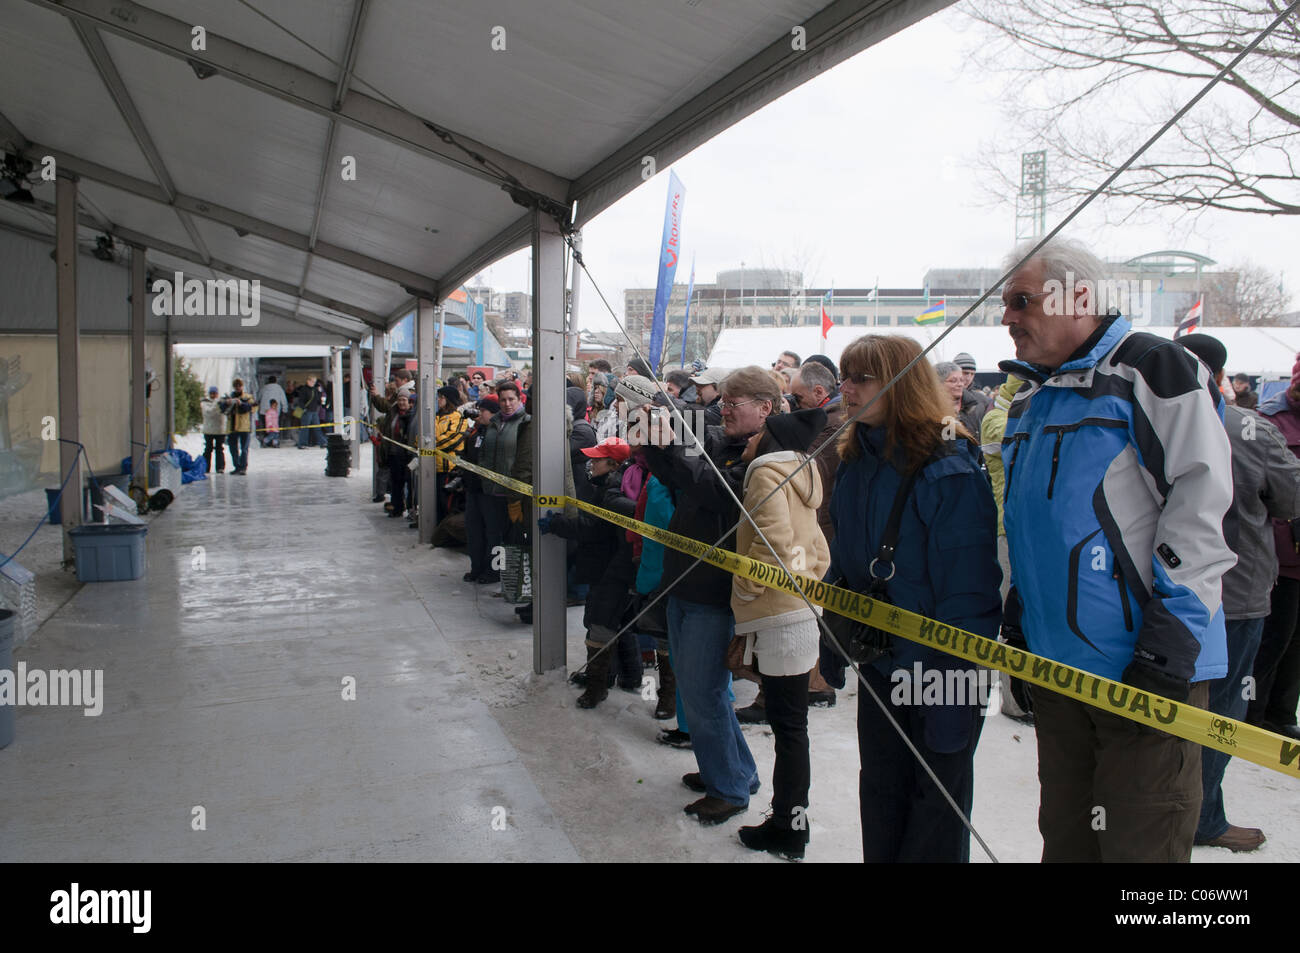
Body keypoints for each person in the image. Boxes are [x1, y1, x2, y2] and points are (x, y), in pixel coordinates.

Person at [998, 237, 1233, 863]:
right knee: (1070, 845)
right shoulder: (1029, 396)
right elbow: (1033, 526)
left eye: (1021, 301)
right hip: (1062, 672)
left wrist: (1168, 647)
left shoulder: (1154, 368)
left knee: (1139, 855)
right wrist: (1021, 621)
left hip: (1145, 674)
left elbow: (1203, 507)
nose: (1007, 318)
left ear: (1078, 296)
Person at [827, 334, 1001, 863]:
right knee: (880, 795)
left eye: (862, 378)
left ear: (901, 384)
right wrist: (833, 638)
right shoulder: (856, 457)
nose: (848, 389)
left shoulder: (947, 463)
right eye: (845, 376)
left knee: (935, 812)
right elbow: (846, 566)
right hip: (881, 664)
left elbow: (969, 588)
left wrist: (955, 684)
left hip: (939, 671)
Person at [1176, 334, 1300, 853]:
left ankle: (1166, 808)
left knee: (1166, 709)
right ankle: (1203, 818)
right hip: (1237, 592)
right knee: (1221, 712)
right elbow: (1291, 498)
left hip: (1168, 591)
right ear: (1221, 375)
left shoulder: (1151, 418)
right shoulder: (1250, 429)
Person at [636, 366, 774, 825]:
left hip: (714, 592)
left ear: (765, 409)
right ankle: (737, 773)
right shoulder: (726, 441)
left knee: (703, 694)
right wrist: (654, 438)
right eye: (724, 402)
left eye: (733, 404)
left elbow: (717, 492)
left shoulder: (768, 456)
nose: (723, 411)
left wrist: (674, 440)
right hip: (688, 579)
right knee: (703, 694)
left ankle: (729, 789)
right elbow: (680, 474)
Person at [731, 407, 831, 860]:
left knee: (790, 729)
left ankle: (789, 827)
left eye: (755, 435)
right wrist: (808, 582)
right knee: (793, 727)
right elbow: (817, 550)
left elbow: (770, 541)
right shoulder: (803, 473)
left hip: (777, 615)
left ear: (768, 438)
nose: (747, 440)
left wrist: (747, 587)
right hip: (801, 609)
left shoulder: (765, 472)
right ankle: (790, 823)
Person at [539, 437, 637, 708]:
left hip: (608, 568)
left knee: (599, 623)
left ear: (613, 464)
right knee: (619, 622)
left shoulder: (610, 491)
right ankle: (629, 676)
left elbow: (593, 529)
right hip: (613, 565)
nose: (591, 464)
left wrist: (558, 524)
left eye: (597, 459)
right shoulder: (608, 486)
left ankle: (598, 686)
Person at [979, 373, 1032, 725]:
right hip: (1005, 531)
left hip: (1033, 534)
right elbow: (1022, 444)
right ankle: (1012, 699)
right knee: (1006, 619)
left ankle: (1026, 693)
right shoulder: (997, 420)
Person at [1252, 355, 1300, 740]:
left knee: (1296, 642)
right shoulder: (1268, 420)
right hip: (1280, 553)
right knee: (1273, 638)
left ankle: (1282, 712)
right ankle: (1253, 711)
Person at [479, 381, 530, 582]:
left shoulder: (526, 423)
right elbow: (484, 453)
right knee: (493, 534)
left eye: (511, 399)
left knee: (513, 537)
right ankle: (494, 572)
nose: (507, 404)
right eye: (503, 400)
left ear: (519, 399)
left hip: (513, 493)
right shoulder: (493, 423)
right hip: (491, 491)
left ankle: (510, 575)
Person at [461, 397, 499, 583]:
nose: (478, 413)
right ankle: (476, 567)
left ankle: (492, 571)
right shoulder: (476, 432)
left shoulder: (497, 432)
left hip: (490, 492)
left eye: (482, 410)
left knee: (491, 532)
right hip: (473, 489)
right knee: (473, 530)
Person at [435, 385, 471, 526]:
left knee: (446, 504)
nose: (438, 400)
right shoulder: (436, 416)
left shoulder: (458, 418)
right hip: (433, 468)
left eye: (441, 397)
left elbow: (450, 440)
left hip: (448, 469)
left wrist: (433, 442)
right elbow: (420, 438)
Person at [385, 391, 417, 518]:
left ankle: (410, 508)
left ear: (409, 402)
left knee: (409, 482)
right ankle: (397, 507)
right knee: (396, 482)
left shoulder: (412, 416)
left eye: (404, 400)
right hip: (394, 453)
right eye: (400, 400)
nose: (401, 403)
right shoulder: (393, 414)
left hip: (407, 454)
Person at [935, 361, 980, 437]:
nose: (960, 384)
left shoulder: (971, 407)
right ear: (938, 384)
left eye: (961, 380)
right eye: (953, 381)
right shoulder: (934, 412)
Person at [222, 378, 257, 475]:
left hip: (244, 427)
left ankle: (243, 467)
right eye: (236, 386)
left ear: (242, 386)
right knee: (233, 449)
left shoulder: (248, 397)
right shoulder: (229, 397)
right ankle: (237, 466)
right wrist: (227, 403)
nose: (238, 388)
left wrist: (241, 403)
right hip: (232, 427)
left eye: (239, 386)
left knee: (244, 449)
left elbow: (253, 408)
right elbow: (222, 409)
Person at [952, 352, 991, 428]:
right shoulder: (941, 399)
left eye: (972, 374)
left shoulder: (983, 400)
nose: (968, 378)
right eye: (965, 373)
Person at [200, 386, 228, 474]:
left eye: (215, 393)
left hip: (220, 430)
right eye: (211, 393)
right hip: (209, 430)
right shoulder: (205, 402)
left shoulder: (221, 402)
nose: (213, 395)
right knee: (208, 449)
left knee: (219, 449)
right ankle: (205, 467)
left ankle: (220, 467)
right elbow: (209, 413)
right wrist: (218, 405)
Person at [294, 376, 323, 449]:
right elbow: (301, 401)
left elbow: (318, 400)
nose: (314, 383)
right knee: (305, 428)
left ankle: (322, 442)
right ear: (308, 381)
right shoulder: (304, 389)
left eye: (315, 382)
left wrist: (319, 392)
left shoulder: (315, 389)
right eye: (312, 381)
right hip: (307, 411)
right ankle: (302, 443)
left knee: (317, 427)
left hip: (314, 411)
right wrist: (304, 408)